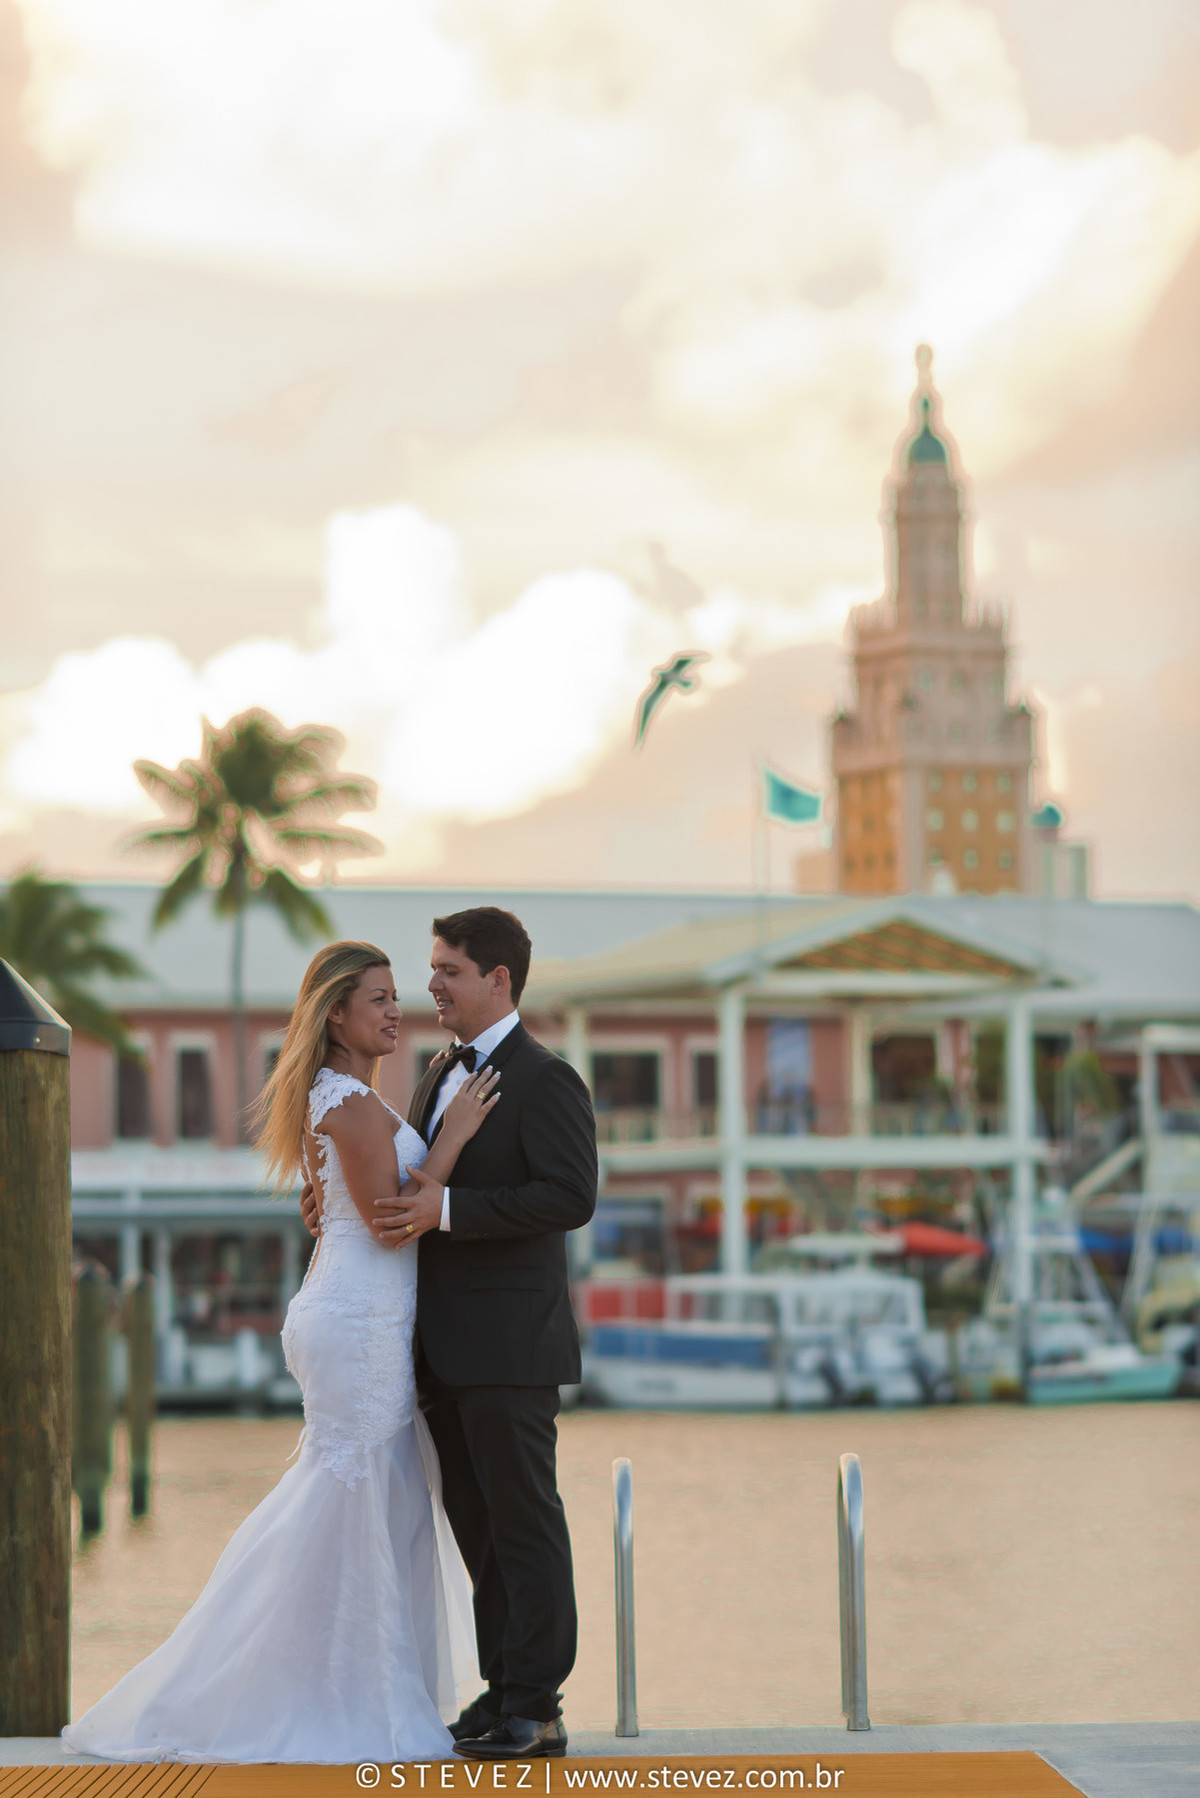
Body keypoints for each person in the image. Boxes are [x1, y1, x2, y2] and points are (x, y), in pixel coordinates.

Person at [62, 940, 498, 1765]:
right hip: (357, 1323)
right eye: (377, 998)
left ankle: (340, 1687)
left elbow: (337, 1204)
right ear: (336, 1013)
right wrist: (458, 1136)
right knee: (353, 1500)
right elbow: (392, 1220)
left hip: (355, 1313)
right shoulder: (353, 1104)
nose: (394, 1009)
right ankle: (315, 1695)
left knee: (362, 1500)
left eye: (395, 995)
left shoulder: (341, 1099)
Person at [301, 907, 598, 1760]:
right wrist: (332, 1197)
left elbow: (570, 1197)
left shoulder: (546, 1079)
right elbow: (393, 1180)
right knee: (476, 1523)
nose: (432, 986)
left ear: (497, 979)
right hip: (432, 1347)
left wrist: (451, 1208)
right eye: (429, 972)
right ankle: (501, 1689)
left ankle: (537, 1708)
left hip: (510, 1345)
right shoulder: (434, 1074)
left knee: (524, 1522)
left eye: (447, 971)